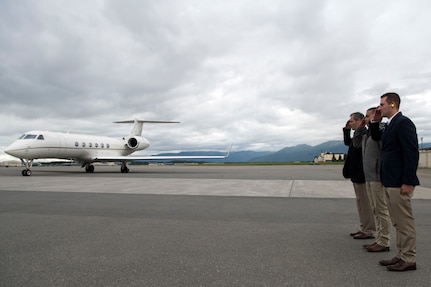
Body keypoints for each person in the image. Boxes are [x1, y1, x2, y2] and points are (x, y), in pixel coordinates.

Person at [370, 92, 419, 272]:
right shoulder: (390, 124)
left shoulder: (403, 123)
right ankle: (401, 255)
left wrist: (408, 180)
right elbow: (376, 138)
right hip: (390, 180)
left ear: (392, 104)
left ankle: (409, 258)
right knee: (397, 221)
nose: (379, 107)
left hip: (400, 182)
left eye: (381, 104)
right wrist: (375, 120)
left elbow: (411, 153)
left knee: (404, 221)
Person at [360, 107, 391, 252]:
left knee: (381, 209)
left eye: (368, 116)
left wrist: (382, 172)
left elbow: (384, 151)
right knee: (375, 209)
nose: (365, 119)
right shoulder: (368, 134)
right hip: (369, 176)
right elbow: (355, 143)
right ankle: (379, 238)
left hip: (377, 176)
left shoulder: (379, 132)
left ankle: (384, 240)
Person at [343, 112, 376, 240]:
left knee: (365, 204)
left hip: (362, 173)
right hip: (356, 173)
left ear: (358, 121)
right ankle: (364, 227)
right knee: (360, 203)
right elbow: (348, 142)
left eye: (351, 121)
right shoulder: (358, 134)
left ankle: (369, 230)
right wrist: (346, 130)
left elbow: (356, 145)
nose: (350, 123)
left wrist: (359, 128)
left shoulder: (363, 134)